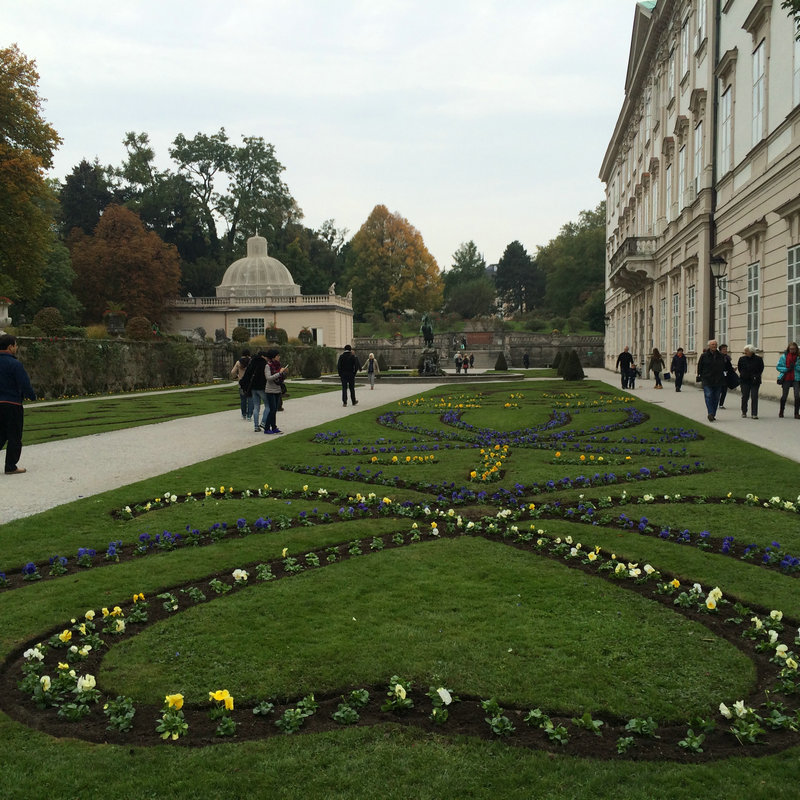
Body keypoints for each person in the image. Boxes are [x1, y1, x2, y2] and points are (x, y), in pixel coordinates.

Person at [0, 334, 37, 474]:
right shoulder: (15, 364)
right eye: (15, 345)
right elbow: (24, 383)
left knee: (1, 434)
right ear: (10, 347)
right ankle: (10, 466)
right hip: (12, 403)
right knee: (14, 436)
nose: (16, 348)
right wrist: (32, 396)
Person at [696, 339, 726, 421]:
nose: (714, 346)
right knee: (709, 396)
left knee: (716, 397)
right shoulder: (704, 356)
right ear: (709, 346)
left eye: (715, 345)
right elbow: (700, 366)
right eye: (712, 344)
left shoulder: (721, 356)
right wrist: (700, 375)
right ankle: (710, 413)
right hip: (707, 379)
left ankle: (713, 413)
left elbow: (725, 367)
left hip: (718, 380)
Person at [241, 351, 268, 431]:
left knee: (256, 407)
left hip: (253, 388)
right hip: (262, 388)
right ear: (263, 356)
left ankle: (256, 426)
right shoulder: (264, 364)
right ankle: (263, 422)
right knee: (267, 405)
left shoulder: (252, 363)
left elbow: (247, 376)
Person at [263, 349, 288, 434]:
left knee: (275, 410)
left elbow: (280, 378)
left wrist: (284, 373)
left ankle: (274, 427)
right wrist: (279, 373)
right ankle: (267, 428)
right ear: (273, 357)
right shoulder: (268, 366)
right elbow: (269, 378)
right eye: (277, 356)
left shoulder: (278, 365)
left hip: (277, 390)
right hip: (270, 390)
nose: (279, 357)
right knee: (272, 410)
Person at [738, 344, 764, 419]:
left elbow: (761, 369)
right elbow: (740, 368)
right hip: (744, 381)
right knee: (745, 396)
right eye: (745, 351)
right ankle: (744, 411)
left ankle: (754, 413)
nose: (745, 352)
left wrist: (756, 375)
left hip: (755, 381)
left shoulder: (758, 359)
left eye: (746, 351)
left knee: (754, 396)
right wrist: (743, 374)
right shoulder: (742, 359)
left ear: (751, 351)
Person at [776, 341, 800, 418]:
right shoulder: (784, 357)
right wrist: (787, 369)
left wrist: (795, 367)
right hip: (786, 378)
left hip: (796, 378)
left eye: (794, 349)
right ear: (788, 349)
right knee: (784, 396)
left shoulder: (799, 357)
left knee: (797, 396)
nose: (792, 350)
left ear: (796, 349)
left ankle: (796, 413)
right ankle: (781, 411)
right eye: (791, 349)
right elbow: (778, 367)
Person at [230, 349, 253, 420]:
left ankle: (244, 414)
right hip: (250, 382)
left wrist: (236, 377)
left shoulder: (238, 362)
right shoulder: (251, 362)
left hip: (241, 382)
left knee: (243, 399)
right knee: (250, 399)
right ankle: (249, 415)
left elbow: (232, 372)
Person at [717, 344, 734, 409]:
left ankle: (721, 404)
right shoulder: (718, 357)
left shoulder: (727, 358)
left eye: (726, 349)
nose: (725, 350)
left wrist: (732, 369)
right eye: (724, 349)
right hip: (718, 376)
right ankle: (716, 402)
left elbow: (728, 366)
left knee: (724, 390)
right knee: (718, 391)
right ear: (720, 350)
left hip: (725, 376)